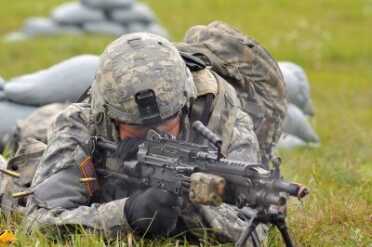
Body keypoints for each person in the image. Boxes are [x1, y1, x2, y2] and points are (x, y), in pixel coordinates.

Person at [3, 32, 270, 245]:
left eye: (166, 126)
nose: (154, 137)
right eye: (139, 130)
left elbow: (255, 232)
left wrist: (192, 208)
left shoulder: (223, 122)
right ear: (110, 117)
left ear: (185, 105)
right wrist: (127, 214)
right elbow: (36, 222)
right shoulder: (82, 123)